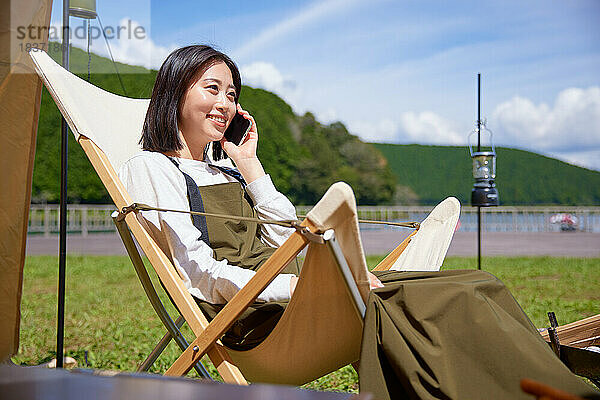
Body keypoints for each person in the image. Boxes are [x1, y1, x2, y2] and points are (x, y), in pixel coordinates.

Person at [119, 45, 597, 399]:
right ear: (175, 90)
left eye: (232, 93)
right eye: (212, 88)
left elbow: (288, 238)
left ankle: (544, 384)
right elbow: (200, 273)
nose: (226, 104)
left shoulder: (226, 166)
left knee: (475, 284)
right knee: (445, 298)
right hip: (252, 314)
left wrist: (251, 166)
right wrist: (308, 291)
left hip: (291, 285)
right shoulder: (153, 166)